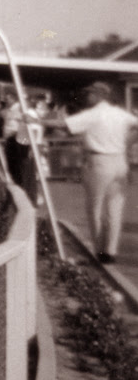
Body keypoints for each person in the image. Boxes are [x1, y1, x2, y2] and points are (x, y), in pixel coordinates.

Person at [32, 81, 138, 263]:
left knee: (95, 207)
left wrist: (37, 121)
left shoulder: (93, 114)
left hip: (98, 161)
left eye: (89, 94)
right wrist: (128, 142)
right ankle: (110, 250)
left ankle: (99, 250)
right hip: (119, 160)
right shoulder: (121, 114)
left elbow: (63, 124)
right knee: (114, 209)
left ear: (98, 95)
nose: (87, 97)